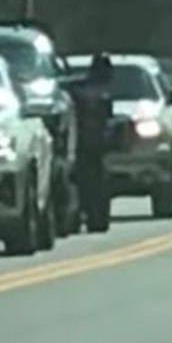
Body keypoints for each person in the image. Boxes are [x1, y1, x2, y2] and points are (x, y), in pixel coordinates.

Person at [71, 53, 114, 234]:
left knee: (86, 183)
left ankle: (90, 217)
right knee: (94, 184)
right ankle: (96, 219)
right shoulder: (99, 94)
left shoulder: (79, 89)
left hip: (86, 146)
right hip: (88, 146)